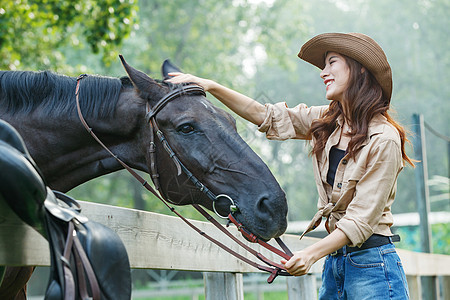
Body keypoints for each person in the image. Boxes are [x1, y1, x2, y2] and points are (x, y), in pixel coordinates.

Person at [168, 32, 413, 299]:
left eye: (332, 63)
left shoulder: (384, 139)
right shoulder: (327, 120)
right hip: (335, 265)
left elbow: (360, 220)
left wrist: (310, 254)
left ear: (359, 69)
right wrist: (211, 86)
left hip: (373, 268)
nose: (323, 72)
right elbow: (267, 116)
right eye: (323, 66)